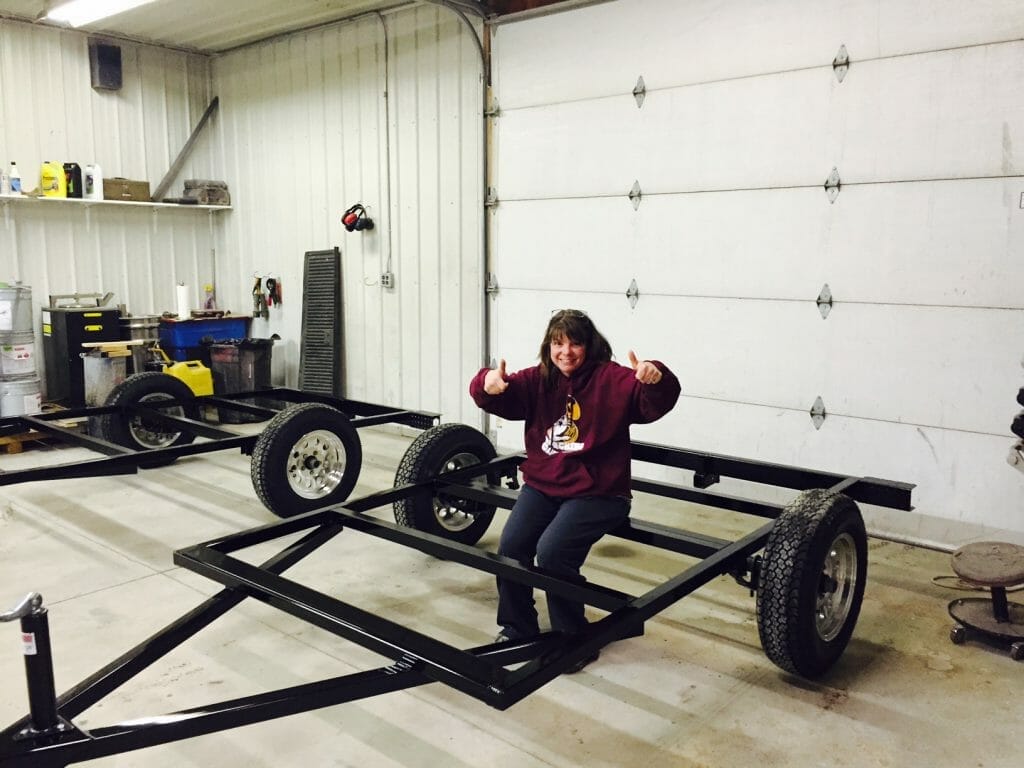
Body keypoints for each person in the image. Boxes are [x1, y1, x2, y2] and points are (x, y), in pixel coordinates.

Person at [468, 309, 680, 671]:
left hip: (600, 491)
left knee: (553, 552)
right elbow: (493, 394)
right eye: (558, 343)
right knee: (512, 547)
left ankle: (574, 638)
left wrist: (655, 376)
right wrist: (486, 382)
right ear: (548, 346)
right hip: (544, 486)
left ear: (589, 346)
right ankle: (517, 628)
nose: (565, 352)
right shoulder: (537, 379)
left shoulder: (612, 379)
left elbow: (654, 401)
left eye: (575, 343)